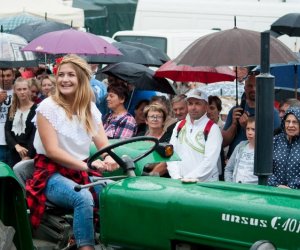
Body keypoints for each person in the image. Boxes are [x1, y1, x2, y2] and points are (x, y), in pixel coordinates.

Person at [26, 54, 118, 250]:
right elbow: (52, 151)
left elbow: (103, 144)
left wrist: (110, 158)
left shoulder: (90, 108)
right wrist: (88, 165)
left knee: (113, 191)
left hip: (79, 173)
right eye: (61, 75)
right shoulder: (47, 107)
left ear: (82, 80)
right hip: (50, 175)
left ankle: (116, 241)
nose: (65, 79)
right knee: (82, 197)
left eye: (71, 75)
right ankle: (86, 247)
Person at [167, 89, 223, 181]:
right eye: (190, 103)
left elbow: (209, 162)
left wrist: (187, 179)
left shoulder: (213, 129)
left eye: (197, 103)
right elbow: (171, 154)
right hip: (181, 183)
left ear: (206, 106)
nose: (193, 107)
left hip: (205, 186)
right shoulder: (179, 125)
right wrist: (176, 177)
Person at [222, 72, 281, 159]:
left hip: (256, 163)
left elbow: (274, 144)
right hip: (234, 162)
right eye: (249, 86)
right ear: (245, 88)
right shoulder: (236, 110)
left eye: (257, 85)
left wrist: (247, 126)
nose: (253, 88)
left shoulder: (271, 112)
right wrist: (234, 124)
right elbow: (224, 142)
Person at [5, 77, 37, 166]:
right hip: (13, 151)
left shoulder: (36, 109)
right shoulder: (12, 108)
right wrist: (16, 146)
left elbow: (34, 135)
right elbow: (7, 130)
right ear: (15, 91)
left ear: (29, 90)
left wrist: (28, 155)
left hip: (30, 152)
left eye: (24, 89)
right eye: (19, 89)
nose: (22, 92)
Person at [268, 107, 300, 189]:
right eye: (288, 121)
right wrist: (276, 185)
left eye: (295, 122)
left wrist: (291, 187)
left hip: (296, 193)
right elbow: (265, 166)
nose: (290, 125)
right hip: (274, 190)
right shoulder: (275, 140)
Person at [141, 103, 172, 177]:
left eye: (158, 117)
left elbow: (167, 163)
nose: (155, 119)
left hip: (161, 179)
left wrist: (150, 176)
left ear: (164, 121)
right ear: (146, 120)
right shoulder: (140, 136)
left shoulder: (169, 137)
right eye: (152, 116)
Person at [224, 116, 257, 184]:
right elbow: (228, 169)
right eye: (247, 129)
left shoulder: (264, 150)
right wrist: (230, 185)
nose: (249, 132)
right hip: (236, 190)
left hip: (254, 192)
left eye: (253, 129)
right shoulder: (240, 146)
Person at [0, 68, 15, 166]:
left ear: (13, 75)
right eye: (2, 76)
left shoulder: (19, 90)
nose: (5, 78)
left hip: (14, 140)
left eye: (8, 75)